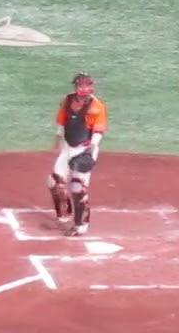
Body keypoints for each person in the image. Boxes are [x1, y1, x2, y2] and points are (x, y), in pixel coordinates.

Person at [45, 72, 108, 237]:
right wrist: (58, 138)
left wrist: (92, 147)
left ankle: (81, 225)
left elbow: (98, 130)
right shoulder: (67, 100)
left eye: (86, 85)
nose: (83, 88)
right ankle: (64, 215)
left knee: (77, 187)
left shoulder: (96, 106)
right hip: (68, 147)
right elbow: (62, 122)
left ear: (91, 87)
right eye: (80, 85)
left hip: (84, 149)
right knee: (54, 182)